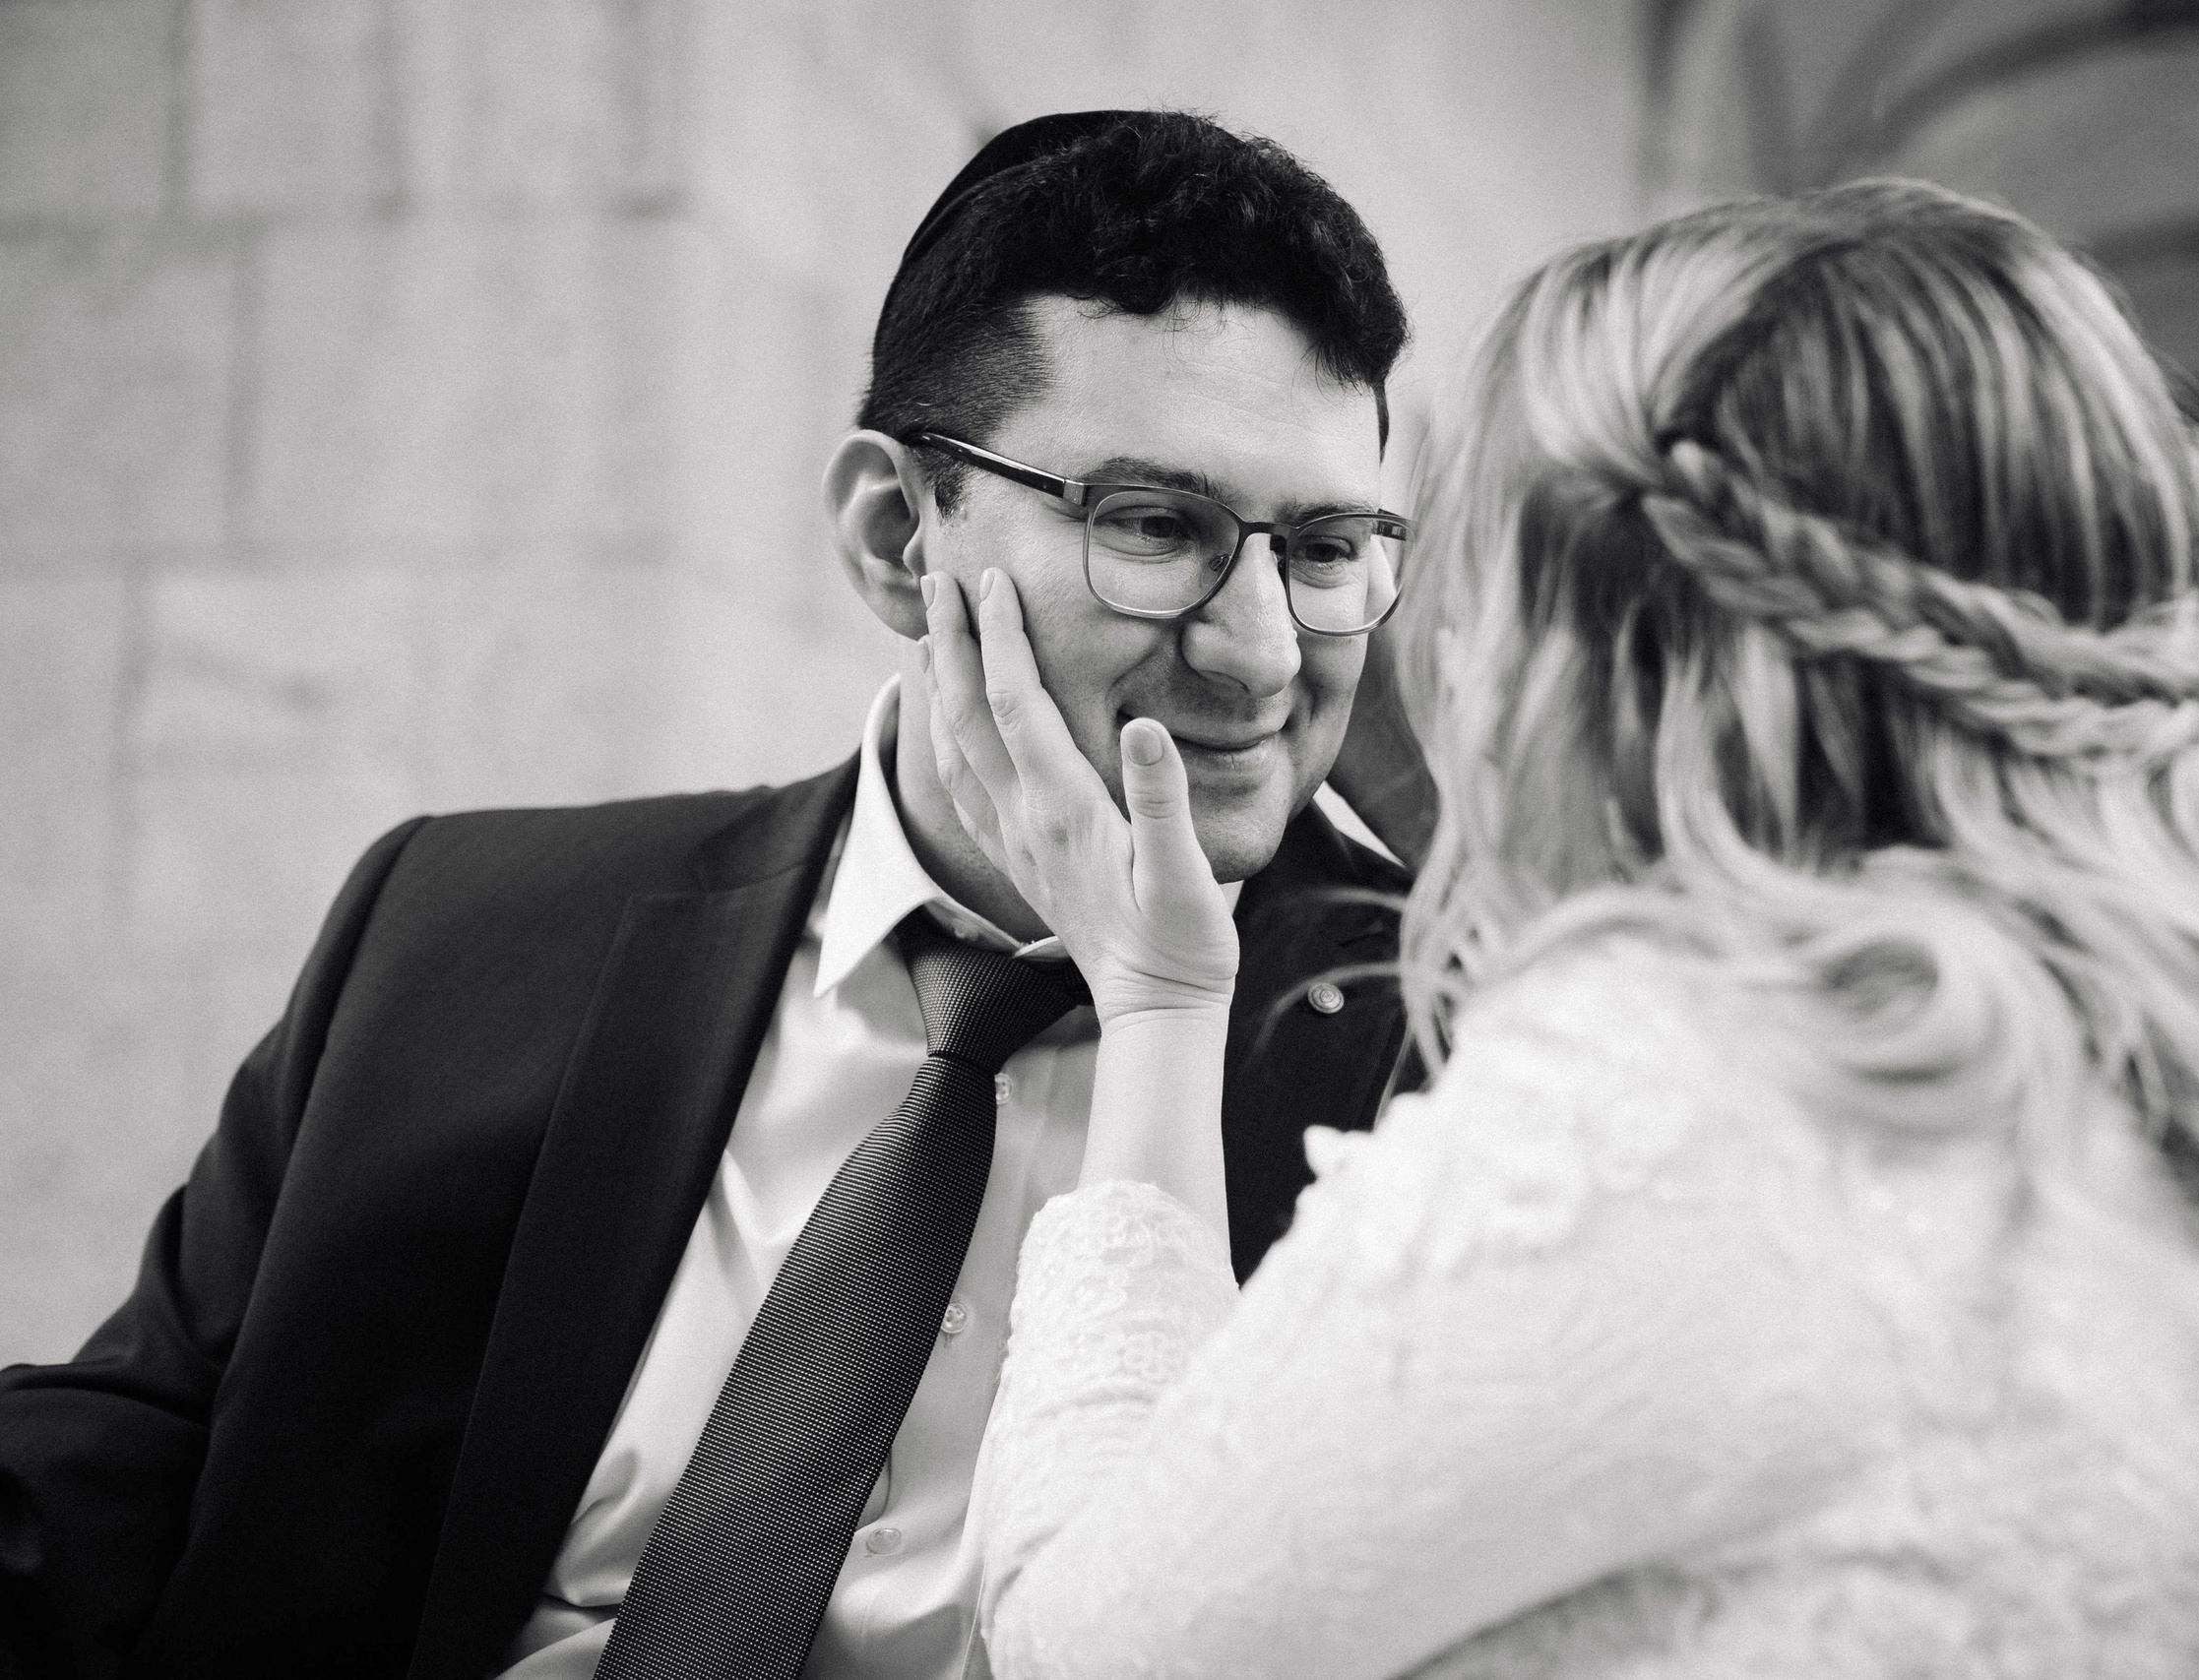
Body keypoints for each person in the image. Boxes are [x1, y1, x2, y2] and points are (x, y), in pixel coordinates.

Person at [918, 180, 2199, 1677]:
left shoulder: (1694, 1092)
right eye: (1155, 526)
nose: (1276, 653)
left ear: (1593, 650)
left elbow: (1094, 1649)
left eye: (1358, 557)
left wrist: (1156, 1001)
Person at [0, 111, 1422, 1680]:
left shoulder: (1456, 1066)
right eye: (1158, 528)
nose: (1266, 651)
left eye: (1326, 546)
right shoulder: (460, 927)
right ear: (897, 539)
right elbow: (114, 1484)